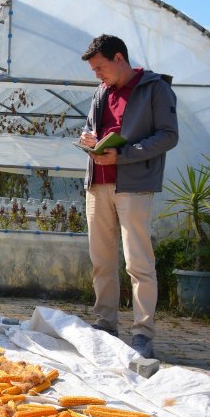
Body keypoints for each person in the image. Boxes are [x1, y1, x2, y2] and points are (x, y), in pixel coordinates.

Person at [79, 34, 179, 359]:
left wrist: (123, 155)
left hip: (134, 185)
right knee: (101, 261)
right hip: (98, 184)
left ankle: (143, 333)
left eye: (100, 67)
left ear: (119, 58)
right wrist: (88, 138)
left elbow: (168, 135)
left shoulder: (154, 88)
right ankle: (105, 324)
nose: (97, 74)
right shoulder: (101, 92)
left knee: (139, 263)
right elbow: (93, 126)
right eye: (94, 70)